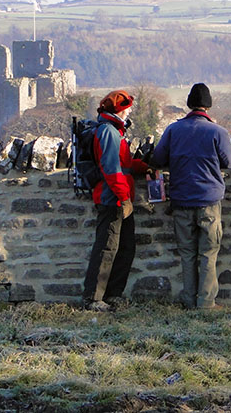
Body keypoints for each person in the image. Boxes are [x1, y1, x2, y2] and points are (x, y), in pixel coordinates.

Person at [151, 83, 231, 309]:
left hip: (181, 199)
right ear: (208, 106)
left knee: (187, 253)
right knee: (208, 253)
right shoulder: (217, 132)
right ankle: (206, 302)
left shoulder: (173, 130)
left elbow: (158, 158)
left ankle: (188, 299)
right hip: (208, 200)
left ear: (189, 104)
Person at [83, 90, 149, 312]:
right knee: (107, 248)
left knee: (124, 247)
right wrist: (124, 198)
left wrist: (144, 167)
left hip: (119, 198)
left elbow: (124, 165)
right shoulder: (110, 133)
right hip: (112, 199)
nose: (129, 111)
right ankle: (93, 298)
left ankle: (112, 294)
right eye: (126, 107)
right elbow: (112, 170)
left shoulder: (114, 131)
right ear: (119, 110)